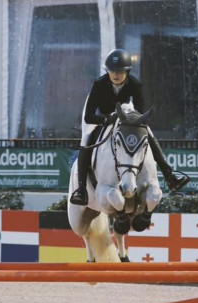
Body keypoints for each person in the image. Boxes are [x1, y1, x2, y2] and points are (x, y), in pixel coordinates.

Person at [70, 48, 190, 206]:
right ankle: (80, 189)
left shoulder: (135, 84)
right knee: (86, 138)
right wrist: (107, 119)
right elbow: (88, 116)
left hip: (125, 114)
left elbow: (140, 112)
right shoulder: (99, 84)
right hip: (101, 114)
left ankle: (169, 175)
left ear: (127, 71)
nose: (115, 75)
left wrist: (131, 120)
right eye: (112, 71)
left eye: (120, 71)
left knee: (147, 130)